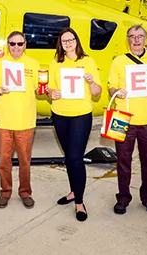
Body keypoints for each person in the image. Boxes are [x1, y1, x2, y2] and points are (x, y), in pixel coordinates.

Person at [107, 24, 147, 216]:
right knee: (123, 161)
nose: (136, 40)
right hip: (122, 118)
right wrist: (117, 92)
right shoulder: (118, 61)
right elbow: (111, 88)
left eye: (140, 36)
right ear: (128, 39)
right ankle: (123, 197)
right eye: (132, 36)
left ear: (146, 38)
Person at [49, 28, 102, 222]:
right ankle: (74, 191)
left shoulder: (87, 61)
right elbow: (50, 89)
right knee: (69, 158)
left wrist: (90, 82)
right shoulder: (55, 62)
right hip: (60, 114)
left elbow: (97, 92)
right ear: (60, 44)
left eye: (71, 40)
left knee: (75, 157)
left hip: (81, 115)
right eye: (64, 41)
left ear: (77, 41)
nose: (68, 43)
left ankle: (79, 202)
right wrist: (51, 94)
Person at [0, 31, 40, 209]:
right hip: (5, 121)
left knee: (25, 161)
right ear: (7, 45)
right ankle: (5, 192)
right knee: (4, 161)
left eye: (19, 43)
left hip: (25, 122)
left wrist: (45, 89)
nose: (16, 47)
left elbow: (39, 89)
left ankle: (25, 192)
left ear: (25, 44)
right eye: (12, 43)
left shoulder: (33, 64)